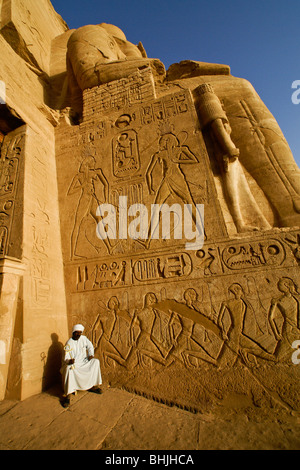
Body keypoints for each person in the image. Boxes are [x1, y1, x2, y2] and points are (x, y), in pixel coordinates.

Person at [61, 324, 102, 407]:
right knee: (69, 369)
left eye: (80, 333)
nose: (78, 335)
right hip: (75, 364)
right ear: (73, 332)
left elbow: (90, 346)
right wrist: (69, 361)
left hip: (84, 361)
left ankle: (92, 386)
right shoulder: (69, 343)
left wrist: (91, 354)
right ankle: (67, 396)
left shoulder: (83, 339)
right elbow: (66, 357)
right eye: (77, 333)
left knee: (95, 362)